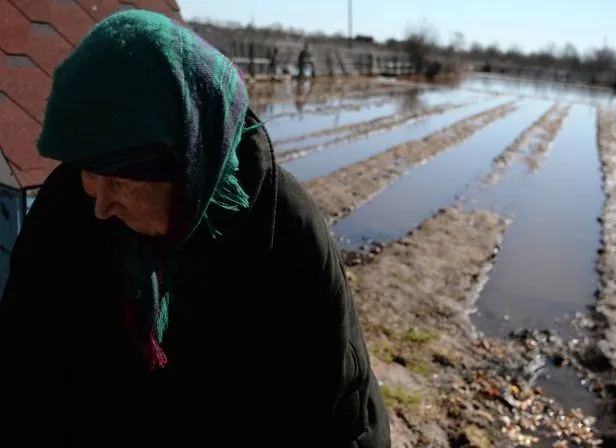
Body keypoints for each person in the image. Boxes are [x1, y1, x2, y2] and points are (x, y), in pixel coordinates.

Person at [0, 10, 390, 448]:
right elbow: (23, 361)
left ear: (188, 169)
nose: (102, 206)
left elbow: (342, 414)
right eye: (91, 175)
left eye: (123, 184)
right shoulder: (69, 204)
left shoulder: (280, 228)